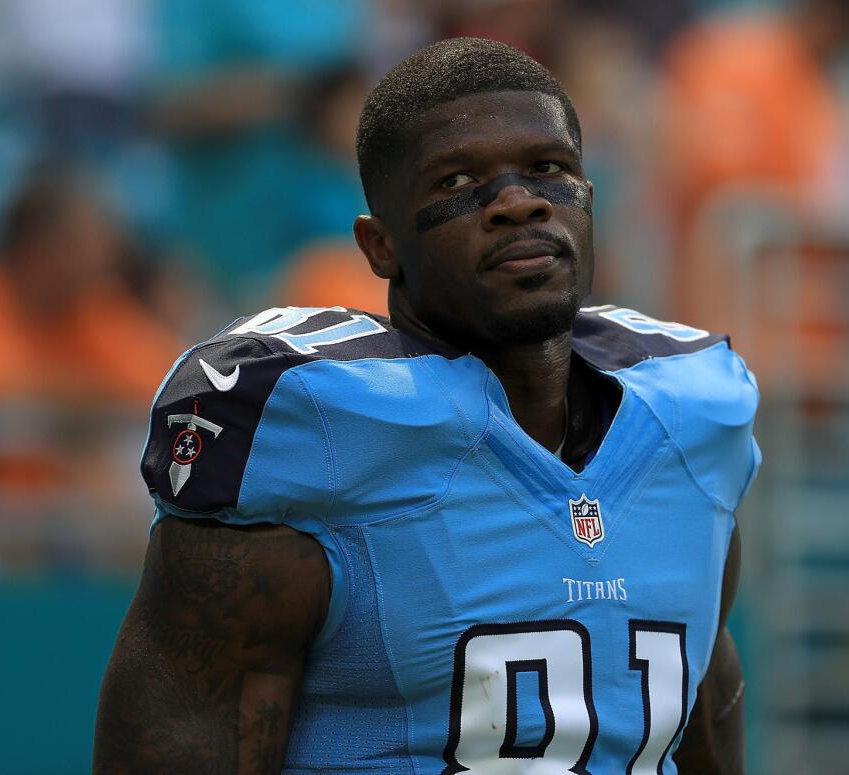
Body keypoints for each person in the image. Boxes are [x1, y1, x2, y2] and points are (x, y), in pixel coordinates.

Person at [94, 37, 760, 773]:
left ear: (588, 197)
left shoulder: (693, 414)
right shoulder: (314, 426)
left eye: (547, 169)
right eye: (458, 180)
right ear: (380, 247)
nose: (518, 201)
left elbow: (698, 706)